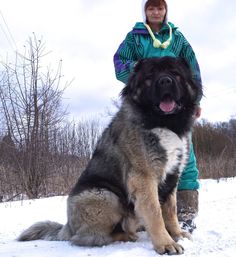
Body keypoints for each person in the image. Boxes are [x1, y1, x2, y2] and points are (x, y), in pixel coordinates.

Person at [113, 0, 202, 233]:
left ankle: (186, 214)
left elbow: (192, 68)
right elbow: (119, 63)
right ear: (146, 11)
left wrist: (196, 100)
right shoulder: (135, 38)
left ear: (165, 10)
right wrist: (143, 73)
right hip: (148, 109)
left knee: (186, 161)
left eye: (159, 8)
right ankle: (145, 217)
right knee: (143, 165)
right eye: (151, 8)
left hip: (177, 106)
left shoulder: (178, 38)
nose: (155, 12)